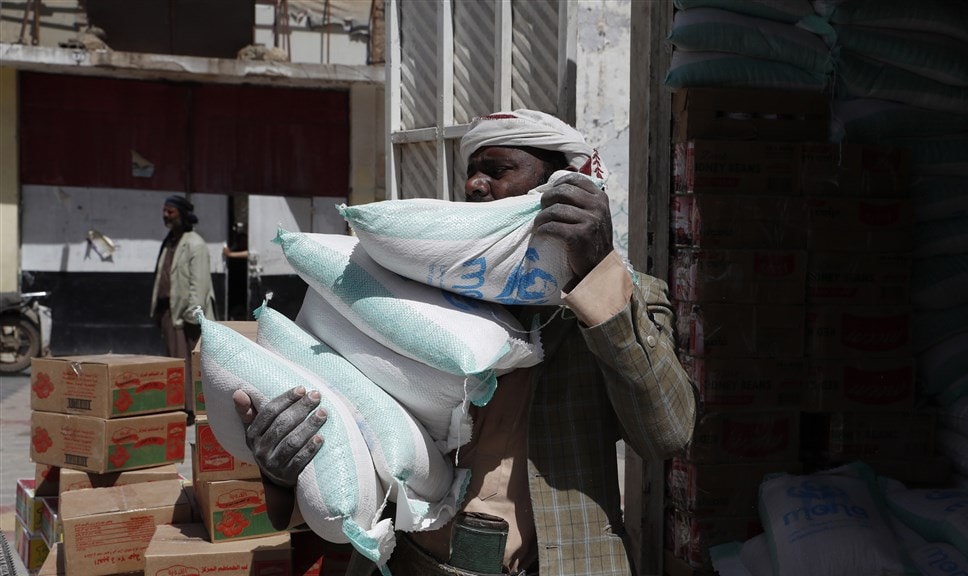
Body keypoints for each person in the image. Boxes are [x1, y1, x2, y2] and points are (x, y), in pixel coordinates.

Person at [232, 110, 697, 575]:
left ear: (559, 186)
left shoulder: (624, 297)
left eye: (497, 171)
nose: (475, 185)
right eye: (471, 173)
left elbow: (667, 433)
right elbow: (354, 442)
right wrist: (279, 473)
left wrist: (596, 277)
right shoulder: (411, 300)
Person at [150, 195, 216, 363]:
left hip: (186, 318)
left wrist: (191, 316)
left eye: (170, 211)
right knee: (174, 364)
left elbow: (199, 284)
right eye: (164, 211)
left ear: (182, 215)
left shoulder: (195, 244)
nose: (165, 215)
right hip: (170, 314)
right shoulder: (170, 242)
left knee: (186, 364)